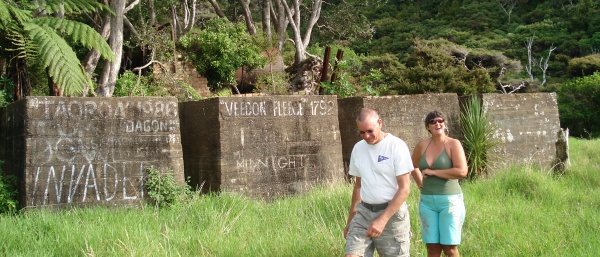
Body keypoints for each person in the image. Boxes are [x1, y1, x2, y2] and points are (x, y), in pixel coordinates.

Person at [344, 108, 413, 257]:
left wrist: (383, 220)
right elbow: (358, 186)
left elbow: (405, 188)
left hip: (392, 215)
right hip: (364, 213)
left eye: (369, 131)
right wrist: (351, 219)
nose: (366, 136)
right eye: (361, 133)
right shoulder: (358, 148)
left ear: (379, 123)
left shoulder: (396, 146)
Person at [411, 110, 468, 257]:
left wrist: (434, 172)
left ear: (445, 123)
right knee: (432, 248)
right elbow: (412, 165)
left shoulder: (453, 144)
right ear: (428, 126)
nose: (437, 123)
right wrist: (419, 182)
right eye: (433, 121)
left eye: (440, 120)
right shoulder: (422, 145)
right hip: (427, 202)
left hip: (450, 201)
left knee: (450, 248)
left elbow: (462, 171)